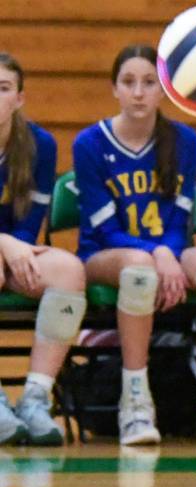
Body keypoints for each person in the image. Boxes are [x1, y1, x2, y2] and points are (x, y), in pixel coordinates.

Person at [74, 44, 196, 446]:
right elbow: (106, 229)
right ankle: (135, 404)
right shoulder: (89, 144)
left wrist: (166, 251)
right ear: (114, 89)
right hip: (105, 253)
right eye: (128, 82)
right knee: (137, 270)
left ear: (164, 90)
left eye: (149, 82)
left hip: (167, 249)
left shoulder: (184, 140)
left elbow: (179, 220)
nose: (138, 92)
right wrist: (159, 253)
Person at [0, 52, 87, 446]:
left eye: (3, 89)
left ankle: (36, 398)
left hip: (19, 247)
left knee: (69, 270)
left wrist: (11, 246)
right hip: (9, 247)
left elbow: (31, 221)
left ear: (19, 98)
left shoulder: (39, 144)